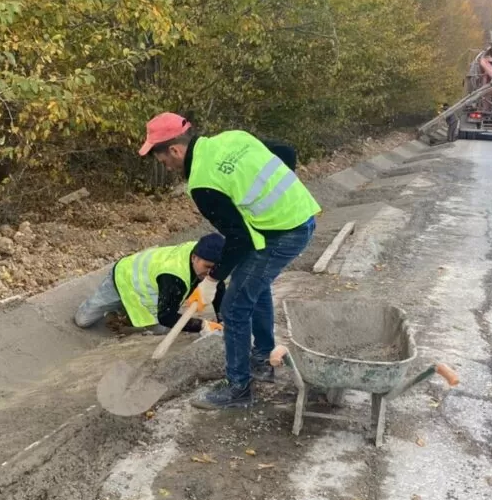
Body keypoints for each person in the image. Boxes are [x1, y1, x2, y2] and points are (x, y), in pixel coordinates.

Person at [139, 113, 320, 409]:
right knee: (253, 286)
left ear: (175, 150)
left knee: (234, 306)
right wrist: (280, 199)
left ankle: (238, 389)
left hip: (281, 233)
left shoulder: (202, 183)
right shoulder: (231, 139)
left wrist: (211, 280)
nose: (168, 167)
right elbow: (286, 152)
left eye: (163, 161)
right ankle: (262, 358)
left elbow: (239, 240)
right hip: (299, 216)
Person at [74, 233, 226, 335]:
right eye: (207, 267)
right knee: (82, 321)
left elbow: (218, 286)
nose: (211, 273)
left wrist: (223, 319)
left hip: (149, 288)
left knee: (161, 330)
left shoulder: (204, 252)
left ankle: (124, 314)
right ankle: (116, 306)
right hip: (125, 278)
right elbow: (166, 316)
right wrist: (202, 326)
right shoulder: (174, 275)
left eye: (215, 269)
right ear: (194, 258)